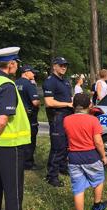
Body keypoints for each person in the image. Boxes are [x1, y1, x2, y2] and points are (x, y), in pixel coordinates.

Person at [0, 47, 31, 210]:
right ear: (11, 64)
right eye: (16, 63)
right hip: (9, 146)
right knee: (13, 193)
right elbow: (2, 121)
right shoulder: (6, 85)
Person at [63, 93, 107, 210]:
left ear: (73, 105)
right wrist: (103, 156)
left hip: (73, 158)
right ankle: (96, 207)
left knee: (78, 189)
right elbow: (98, 142)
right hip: (91, 157)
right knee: (98, 180)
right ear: (89, 105)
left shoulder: (66, 119)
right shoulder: (93, 120)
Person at [43, 56, 73, 187]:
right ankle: (51, 176)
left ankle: (62, 167)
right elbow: (49, 102)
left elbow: (69, 98)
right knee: (58, 146)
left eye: (65, 65)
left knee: (66, 145)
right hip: (57, 117)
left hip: (67, 116)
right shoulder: (50, 81)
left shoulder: (65, 81)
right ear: (54, 66)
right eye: (61, 65)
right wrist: (68, 104)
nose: (64, 67)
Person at [15, 65, 41, 170]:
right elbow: (35, 102)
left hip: (18, 116)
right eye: (32, 72)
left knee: (19, 139)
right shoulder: (29, 85)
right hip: (30, 116)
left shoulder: (15, 83)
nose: (34, 74)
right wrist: (39, 102)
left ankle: (19, 160)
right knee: (30, 139)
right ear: (26, 72)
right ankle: (28, 163)